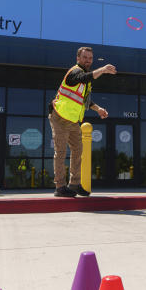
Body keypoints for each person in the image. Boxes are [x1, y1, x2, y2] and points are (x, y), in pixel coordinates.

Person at [49, 46, 116, 197]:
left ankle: (74, 184)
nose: (88, 61)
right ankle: (60, 187)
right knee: (60, 152)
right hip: (59, 117)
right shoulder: (75, 72)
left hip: (73, 120)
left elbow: (85, 100)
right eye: (85, 58)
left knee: (78, 150)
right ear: (78, 58)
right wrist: (103, 69)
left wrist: (98, 109)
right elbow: (84, 78)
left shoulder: (85, 78)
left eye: (90, 58)